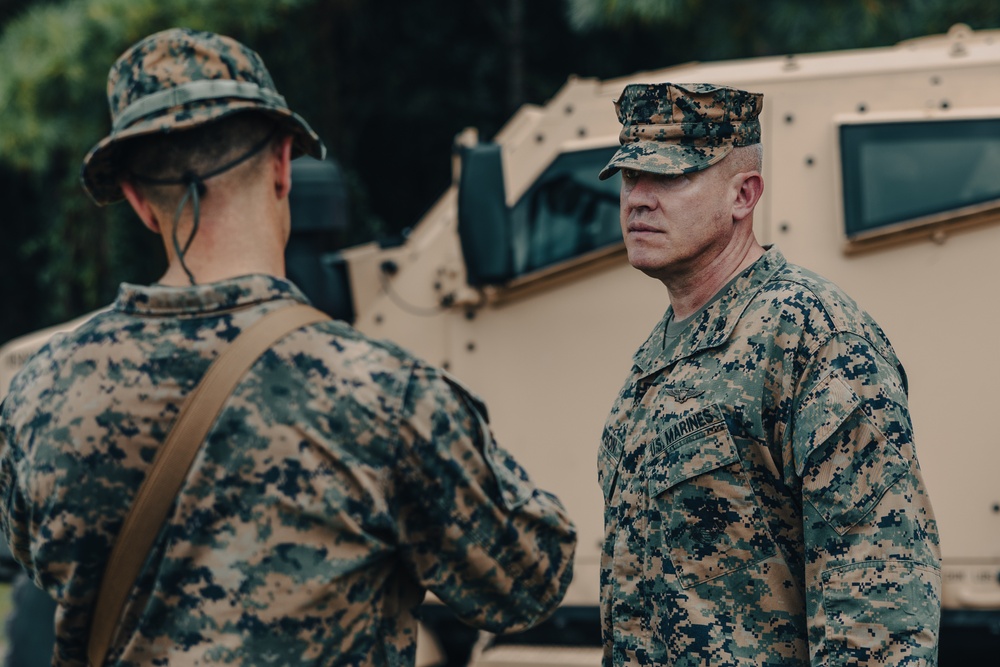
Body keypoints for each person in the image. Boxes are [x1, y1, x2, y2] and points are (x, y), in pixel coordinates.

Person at [0, 28, 575, 666]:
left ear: (138, 200)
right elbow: (528, 585)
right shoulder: (384, 394)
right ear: (281, 167)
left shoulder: (38, 393)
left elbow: (36, 563)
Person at [596, 82, 940, 666]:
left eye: (671, 177)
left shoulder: (811, 335)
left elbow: (877, 596)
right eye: (630, 177)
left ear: (744, 195)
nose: (640, 199)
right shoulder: (657, 356)